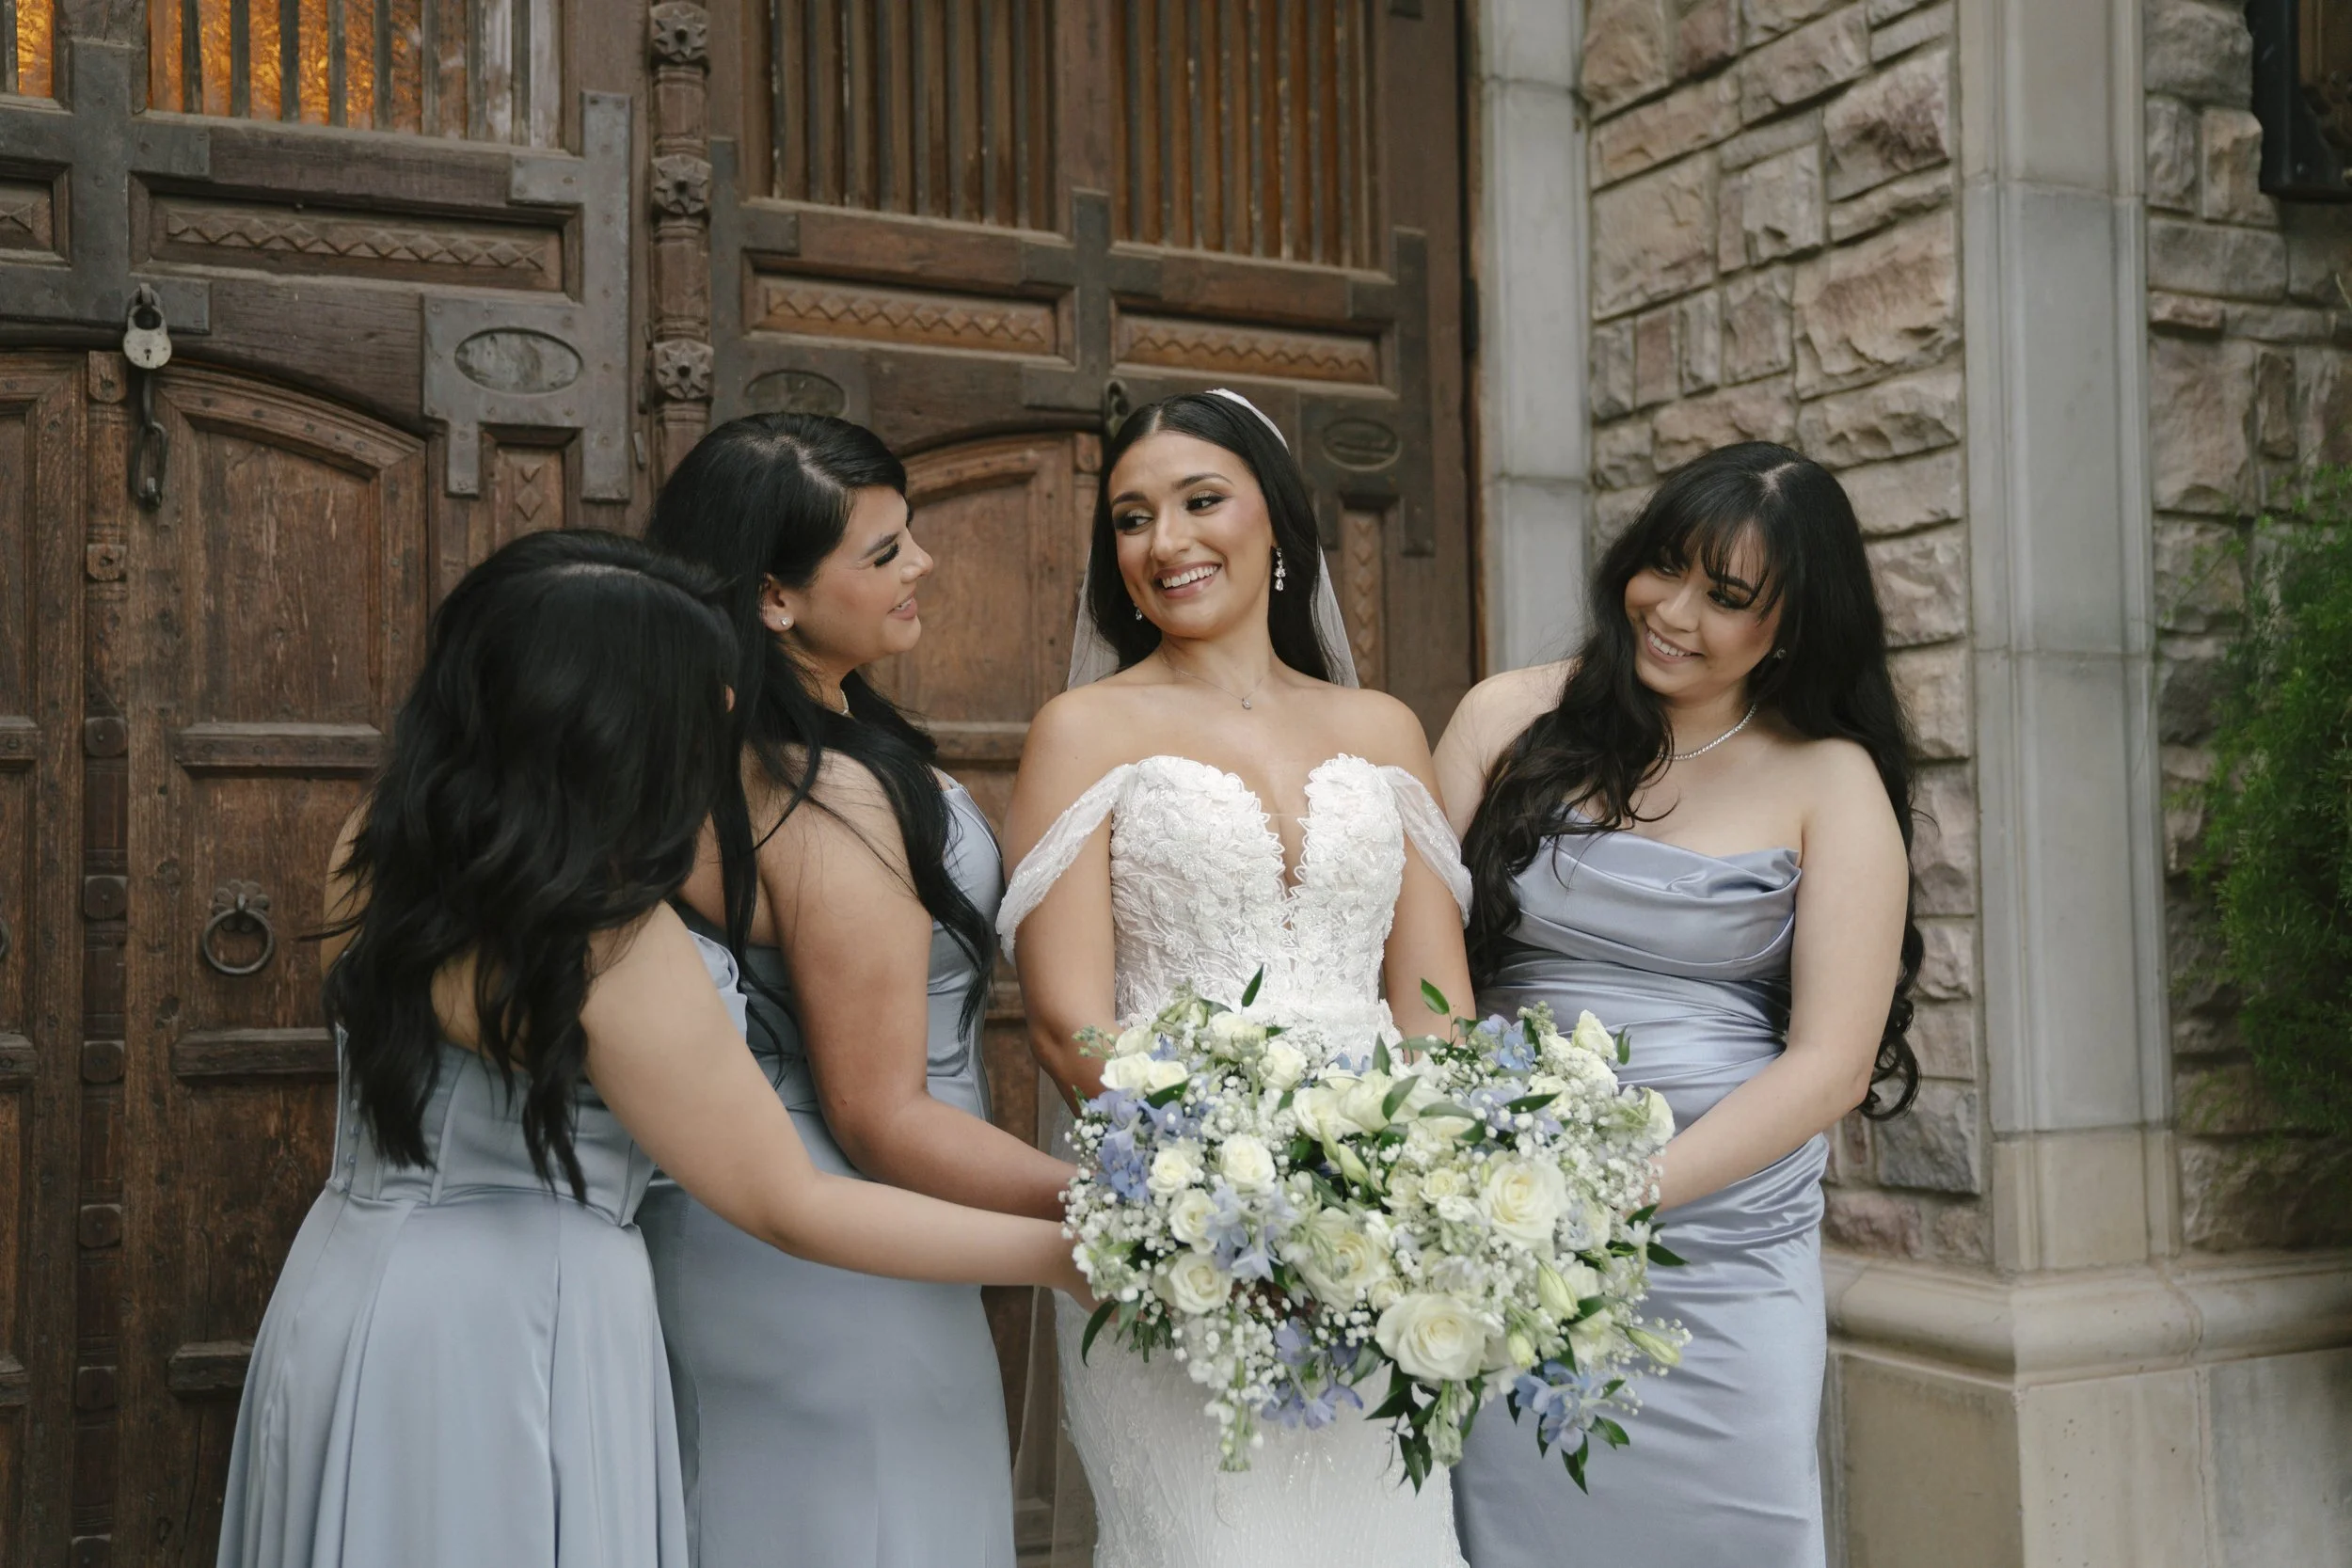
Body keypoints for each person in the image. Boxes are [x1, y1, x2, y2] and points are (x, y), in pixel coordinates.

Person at [215, 529, 1085, 1568]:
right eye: (697, 691)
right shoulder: (610, 938)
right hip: (520, 1323)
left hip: (354, 1282)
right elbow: (789, 1200)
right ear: (605, 714)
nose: (726, 710)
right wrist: (1075, 1253)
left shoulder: (386, 836)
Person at [996, 388, 1476, 1567]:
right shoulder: (1083, 727)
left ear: (1276, 525)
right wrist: (1218, 1216)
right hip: (1170, 1220)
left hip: (1383, 1231)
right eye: (1131, 518)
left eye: (1200, 501)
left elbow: (1436, 1008)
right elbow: (1068, 1025)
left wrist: (1430, 1204)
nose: (1165, 542)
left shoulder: (1382, 726)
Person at [1434, 442, 1920, 1567]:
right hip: (1504, 1213)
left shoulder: (1829, 778)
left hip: (1720, 1242)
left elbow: (1831, 1064)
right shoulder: (1509, 716)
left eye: (1727, 595)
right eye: (1663, 566)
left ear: (1792, 625)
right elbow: (1410, 950)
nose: (1673, 609)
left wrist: (1615, 1195)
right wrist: (1481, 1170)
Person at [638, 414, 1073, 1568]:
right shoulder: (822, 792)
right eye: (883, 553)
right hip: (840, 1263)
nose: (921, 564)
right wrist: (1123, 1202)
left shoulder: (732, 746)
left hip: (757, 1234)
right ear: (774, 599)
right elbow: (879, 1111)